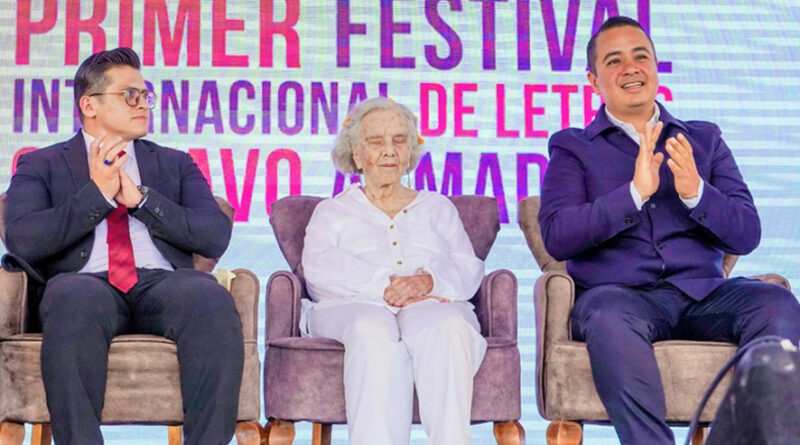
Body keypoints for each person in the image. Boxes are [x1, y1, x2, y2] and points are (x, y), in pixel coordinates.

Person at [538, 16, 800, 445]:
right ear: (594, 81)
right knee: (607, 316)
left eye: (640, 56)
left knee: (776, 302)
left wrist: (696, 192)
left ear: (656, 67)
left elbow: (747, 234)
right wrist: (633, 194)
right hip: (620, 298)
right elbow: (557, 235)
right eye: (614, 61)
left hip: (704, 296)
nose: (631, 68)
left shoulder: (704, 139)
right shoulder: (573, 147)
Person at [2, 48, 243, 445]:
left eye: (146, 96)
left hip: (162, 285)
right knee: (72, 297)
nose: (143, 104)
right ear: (89, 105)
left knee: (209, 296)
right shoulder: (41, 164)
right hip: (84, 283)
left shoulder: (175, 163)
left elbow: (213, 234)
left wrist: (143, 201)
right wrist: (96, 196)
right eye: (130, 95)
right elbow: (23, 239)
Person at [301, 97, 488, 445]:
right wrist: (385, 287)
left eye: (399, 140)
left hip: (427, 302)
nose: (389, 150)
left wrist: (427, 282)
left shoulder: (437, 207)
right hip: (351, 306)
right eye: (376, 141)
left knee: (449, 325)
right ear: (357, 154)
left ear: (410, 152)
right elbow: (318, 268)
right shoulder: (332, 211)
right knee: (372, 326)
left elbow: (467, 265)